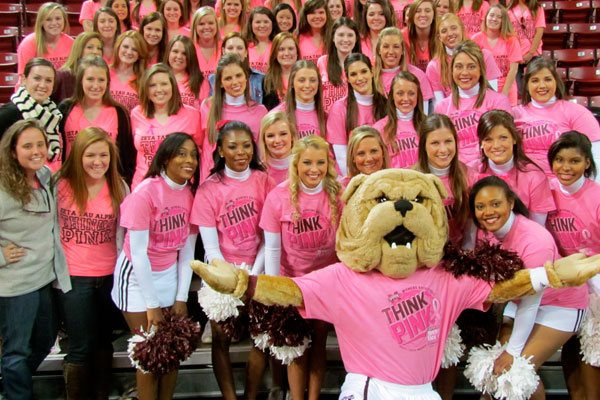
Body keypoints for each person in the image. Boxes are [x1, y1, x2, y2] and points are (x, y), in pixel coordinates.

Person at [471, 176, 588, 400]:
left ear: (511, 203)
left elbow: (531, 300)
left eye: (496, 204)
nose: (488, 212)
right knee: (493, 373)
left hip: (561, 307)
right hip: (520, 304)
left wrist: (514, 352)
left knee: (516, 371)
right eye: (480, 206)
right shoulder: (485, 233)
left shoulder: (535, 240)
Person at [111, 132, 198, 400]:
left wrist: (181, 298)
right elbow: (137, 253)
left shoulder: (190, 193)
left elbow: (187, 251)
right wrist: (152, 305)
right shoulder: (145, 192)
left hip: (169, 274)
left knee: (172, 351)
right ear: (165, 156)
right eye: (182, 153)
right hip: (137, 279)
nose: (190, 159)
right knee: (149, 352)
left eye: (194, 154)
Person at [192, 120, 273, 400]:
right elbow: (210, 247)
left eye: (247, 145)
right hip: (222, 273)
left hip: (258, 270)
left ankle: (251, 395)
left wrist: (252, 273)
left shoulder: (264, 181)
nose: (241, 152)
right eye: (233, 146)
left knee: (262, 339)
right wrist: (230, 277)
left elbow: (269, 238)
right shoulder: (208, 189)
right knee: (220, 340)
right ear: (220, 150)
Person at [260, 134, 342, 400]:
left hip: (326, 281)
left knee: (318, 344)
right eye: (307, 162)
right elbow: (272, 248)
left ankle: (314, 397)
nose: (314, 169)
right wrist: (274, 291)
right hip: (292, 282)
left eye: (320, 162)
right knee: (296, 347)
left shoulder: (338, 194)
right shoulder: (278, 196)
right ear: (296, 164)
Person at [54, 127, 128, 399]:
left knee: (102, 344)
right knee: (80, 345)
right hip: (73, 278)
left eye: (104, 155)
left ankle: (101, 394)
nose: (98, 161)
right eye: (90, 155)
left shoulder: (120, 186)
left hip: (108, 276)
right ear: (77, 156)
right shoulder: (59, 184)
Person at [0, 119, 71, 400]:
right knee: (17, 350)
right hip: (15, 285)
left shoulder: (44, 175)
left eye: (40, 144)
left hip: (43, 278)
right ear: (12, 150)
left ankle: (9, 381)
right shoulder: (3, 185)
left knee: (43, 341)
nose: (36, 150)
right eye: (27, 146)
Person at [546, 131, 600, 400]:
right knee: (569, 350)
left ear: (587, 163)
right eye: (559, 160)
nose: (565, 167)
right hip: (562, 286)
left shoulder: (597, 196)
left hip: (595, 287)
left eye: (574, 161)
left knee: (591, 354)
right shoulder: (547, 189)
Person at [512, 57, 600, 177]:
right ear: (527, 85)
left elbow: (596, 157)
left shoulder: (577, 112)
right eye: (535, 80)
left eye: (547, 79)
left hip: (564, 184)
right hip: (524, 183)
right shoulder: (514, 114)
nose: (542, 85)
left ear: (556, 82)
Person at [58, 56, 136, 184]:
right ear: (80, 81)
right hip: (71, 183)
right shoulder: (65, 109)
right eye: (90, 79)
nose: (96, 85)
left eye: (101, 80)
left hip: (108, 185)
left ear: (107, 82)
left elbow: (127, 159)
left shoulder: (119, 112)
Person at [433, 40, 510, 166]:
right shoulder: (441, 107)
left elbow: (503, 147)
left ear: (481, 70)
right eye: (459, 66)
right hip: (455, 171)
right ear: (451, 70)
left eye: (471, 66)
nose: (464, 72)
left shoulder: (499, 102)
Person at [475, 109, 554, 226]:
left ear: (514, 139)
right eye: (488, 139)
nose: (496, 146)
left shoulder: (534, 176)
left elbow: (537, 228)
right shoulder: (472, 172)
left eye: (503, 137)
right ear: (481, 143)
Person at [131, 63, 201, 188]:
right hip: (143, 186)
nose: (159, 90)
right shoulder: (136, 114)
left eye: (164, 84)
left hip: (180, 187)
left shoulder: (192, 115)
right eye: (152, 85)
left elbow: (200, 154)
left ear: (173, 86)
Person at [201, 53, 268, 182]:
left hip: (248, 182)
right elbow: (207, 153)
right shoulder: (208, 107)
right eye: (228, 78)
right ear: (220, 83)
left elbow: (261, 155)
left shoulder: (260, 111)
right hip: (215, 182)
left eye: (238, 76)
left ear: (246, 77)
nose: (235, 82)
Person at [415, 113, 476, 247]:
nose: (443, 150)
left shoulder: (469, 176)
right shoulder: (411, 179)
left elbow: (470, 230)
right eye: (435, 143)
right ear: (424, 146)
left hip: (459, 254)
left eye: (448, 141)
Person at [327, 53, 387, 175]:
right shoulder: (339, 109)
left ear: (372, 72)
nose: (359, 78)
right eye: (353, 74)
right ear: (347, 78)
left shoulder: (387, 104)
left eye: (364, 71)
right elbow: (342, 157)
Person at [0, 58, 63, 171]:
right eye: (37, 78)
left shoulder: (54, 113)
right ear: (24, 79)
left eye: (48, 80)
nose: (42, 85)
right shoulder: (8, 113)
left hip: (45, 179)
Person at [426, 13, 501, 106]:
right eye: (444, 31)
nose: (450, 33)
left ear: (462, 29)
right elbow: (439, 103)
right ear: (439, 37)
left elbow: (492, 93)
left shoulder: (484, 55)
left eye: (454, 28)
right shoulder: (433, 66)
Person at [372, 27, 433, 111]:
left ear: (402, 50)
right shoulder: (370, 76)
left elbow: (424, 114)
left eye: (396, 47)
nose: (391, 52)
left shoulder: (417, 75)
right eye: (386, 46)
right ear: (379, 50)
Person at [373, 71, 425, 169]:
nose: (406, 98)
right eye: (400, 93)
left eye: (411, 93)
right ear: (392, 96)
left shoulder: (428, 125)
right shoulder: (379, 129)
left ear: (418, 96)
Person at [472, 4, 522, 105]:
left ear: (504, 21)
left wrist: (503, 95)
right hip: (483, 91)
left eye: (499, 17)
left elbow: (513, 70)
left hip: (507, 90)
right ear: (486, 17)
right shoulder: (476, 39)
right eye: (491, 15)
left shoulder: (511, 40)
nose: (494, 19)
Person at [273, 60, 327, 140]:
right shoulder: (277, 115)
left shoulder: (326, 117)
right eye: (301, 80)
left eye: (313, 80)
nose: (307, 85)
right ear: (292, 83)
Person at [208, 32, 266, 105]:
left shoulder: (261, 78)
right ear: (223, 51)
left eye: (239, 48)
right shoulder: (212, 79)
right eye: (230, 48)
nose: (235, 52)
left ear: (246, 52)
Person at [17, 2, 74, 75]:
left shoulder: (71, 43)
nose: (54, 23)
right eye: (48, 19)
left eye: (58, 19)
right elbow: (24, 76)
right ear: (41, 22)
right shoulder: (28, 44)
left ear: (64, 20)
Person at [317, 17, 360, 112]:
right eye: (341, 35)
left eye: (350, 35)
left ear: (356, 38)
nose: (345, 39)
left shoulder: (362, 64)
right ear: (333, 37)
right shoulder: (322, 62)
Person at [52, 32, 103, 104]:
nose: (96, 51)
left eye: (99, 48)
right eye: (90, 47)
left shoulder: (100, 77)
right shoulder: (62, 76)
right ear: (79, 49)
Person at [507, 0, 545, 91]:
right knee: (518, 89)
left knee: (535, 87)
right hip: (515, 56)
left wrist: (530, 53)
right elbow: (507, 33)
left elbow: (539, 32)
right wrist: (517, 55)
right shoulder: (509, 10)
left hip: (534, 55)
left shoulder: (537, 8)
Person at [109, 30, 148, 112]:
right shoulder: (105, 73)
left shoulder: (144, 79)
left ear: (139, 54)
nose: (129, 52)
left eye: (134, 49)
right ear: (118, 47)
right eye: (125, 47)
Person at [165, 35, 206, 109]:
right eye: (175, 51)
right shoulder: (158, 79)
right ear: (168, 53)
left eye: (184, 53)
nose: (179, 56)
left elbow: (205, 112)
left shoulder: (201, 82)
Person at [262, 32, 301, 110]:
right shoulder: (267, 81)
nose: (286, 53)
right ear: (275, 53)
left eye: (291, 49)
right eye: (281, 49)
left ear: (297, 52)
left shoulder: (305, 77)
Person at [259, 110, 298, 184]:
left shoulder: (304, 167)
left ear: (292, 136)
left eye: (283, 134)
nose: (277, 140)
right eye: (271, 136)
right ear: (264, 140)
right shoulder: (258, 172)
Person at [403, 0, 437, 72]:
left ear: (434, 15)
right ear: (412, 15)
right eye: (418, 11)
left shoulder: (440, 36)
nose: (423, 14)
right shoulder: (402, 36)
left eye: (427, 11)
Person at [244, 7, 278, 73]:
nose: (262, 25)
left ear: (272, 24)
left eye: (266, 22)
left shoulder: (277, 46)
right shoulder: (244, 46)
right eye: (258, 22)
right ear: (251, 25)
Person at [192, 7, 220, 80]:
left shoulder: (226, 46)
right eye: (201, 24)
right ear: (195, 27)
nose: (206, 27)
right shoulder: (189, 48)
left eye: (211, 23)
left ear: (216, 25)